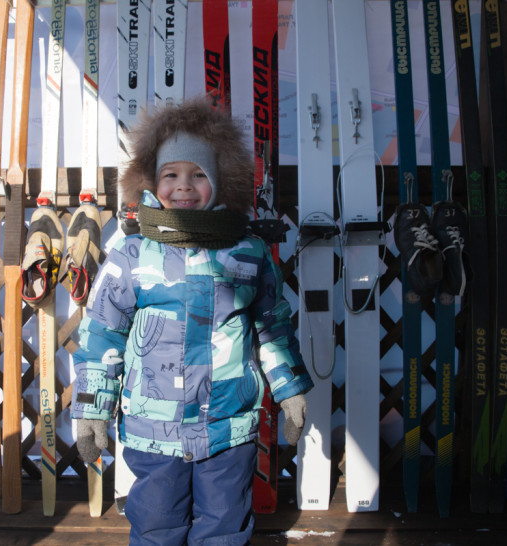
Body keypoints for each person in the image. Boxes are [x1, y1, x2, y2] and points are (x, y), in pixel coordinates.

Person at [71, 99, 314, 545]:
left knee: (224, 527)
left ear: (221, 181)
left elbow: (273, 328)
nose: (184, 186)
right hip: (153, 431)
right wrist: (91, 409)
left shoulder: (247, 254)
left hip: (227, 428)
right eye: (171, 175)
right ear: (151, 181)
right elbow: (101, 334)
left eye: (199, 174)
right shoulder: (132, 255)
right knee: (156, 527)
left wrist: (291, 388)